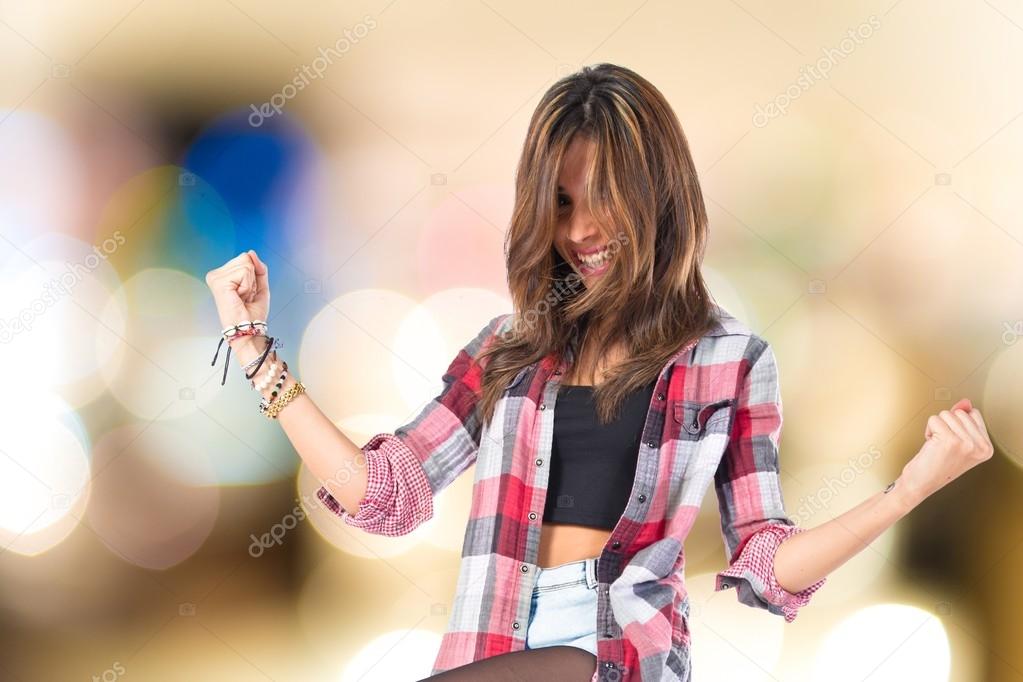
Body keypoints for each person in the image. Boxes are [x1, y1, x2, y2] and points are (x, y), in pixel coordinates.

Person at [205, 63, 996, 681]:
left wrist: (907, 491)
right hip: (490, 642)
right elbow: (382, 496)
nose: (581, 229)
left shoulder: (728, 361)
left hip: (616, 653)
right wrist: (253, 347)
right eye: (559, 201)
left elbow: (764, 568)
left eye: (605, 197)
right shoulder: (503, 351)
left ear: (658, 196)